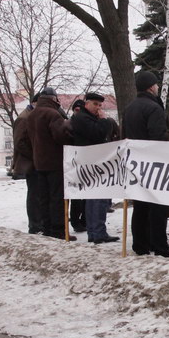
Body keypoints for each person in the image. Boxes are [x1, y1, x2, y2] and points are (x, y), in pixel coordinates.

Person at [122, 71, 169, 258]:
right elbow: (157, 138)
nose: (158, 87)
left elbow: (124, 135)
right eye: (156, 84)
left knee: (140, 206)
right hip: (153, 164)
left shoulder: (129, 108)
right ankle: (160, 246)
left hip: (135, 163)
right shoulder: (154, 108)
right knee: (158, 206)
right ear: (151, 87)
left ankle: (140, 244)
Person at [70, 92, 119, 244]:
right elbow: (98, 134)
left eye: (100, 105)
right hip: (93, 164)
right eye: (95, 104)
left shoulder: (85, 118)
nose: (98, 108)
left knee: (94, 199)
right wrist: (104, 120)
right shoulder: (82, 118)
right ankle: (98, 232)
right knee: (97, 199)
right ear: (87, 103)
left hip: (92, 163)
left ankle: (95, 231)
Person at [27, 87, 74, 240]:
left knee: (44, 198)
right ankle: (59, 230)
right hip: (55, 162)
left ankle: (46, 228)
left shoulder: (32, 115)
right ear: (54, 99)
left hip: (39, 163)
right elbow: (61, 136)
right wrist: (69, 130)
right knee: (57, 198)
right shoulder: (53, 114)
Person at [12, 92, 43, 234]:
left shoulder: (31, 116)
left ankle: (38, 223)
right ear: (35, 103)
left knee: (38, 193)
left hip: (35, 161)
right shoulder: (24, 118)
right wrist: (35, 155)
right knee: (34, 194)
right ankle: (35, 225)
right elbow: (19, 142)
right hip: (31, 163)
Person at [68, 99, 87, 233]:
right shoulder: (69, 124)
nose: (78, 112)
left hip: (85, 162)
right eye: (76, 110)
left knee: (86, 195)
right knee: (76, 196)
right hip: (74, 163)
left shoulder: (87, 122)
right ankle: (75, 221)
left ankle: (84, 220)